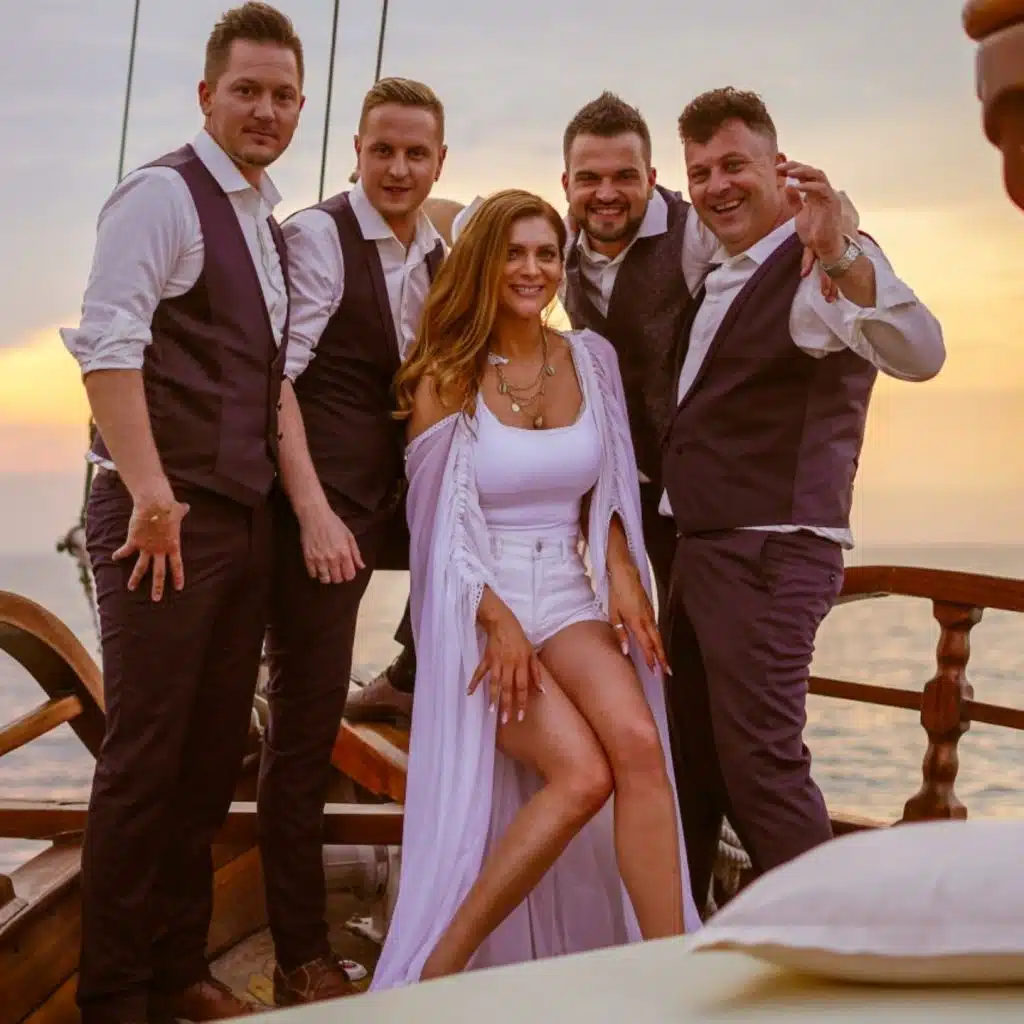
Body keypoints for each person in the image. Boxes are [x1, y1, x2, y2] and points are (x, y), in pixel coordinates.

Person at [370, 189, 701, 989]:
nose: (531, 269)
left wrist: (621, 570)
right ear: (483, 263)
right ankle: (437, 969)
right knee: (582, 776)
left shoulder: (590, 358)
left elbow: (607, 489)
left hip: (568, 595)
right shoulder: (446, 376)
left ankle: (675, 976)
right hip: (480, 608)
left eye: (546, 253)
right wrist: (496, 621)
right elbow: (436, 533)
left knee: (640, 746)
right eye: (513, 253)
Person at [58, 5, 305, 1022]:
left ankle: (176, 972)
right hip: (157, 522)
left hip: (240, 519)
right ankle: (115, 995)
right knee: (147, 760)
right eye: (247, 90)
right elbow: (107, 345)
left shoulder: (264, 221)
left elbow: (263, 376)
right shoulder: (161, 195)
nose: (265, 109)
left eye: (283, 95)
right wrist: (152, 493)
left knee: (207, 764)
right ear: (207, 95)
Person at [659, 87, 946, 913]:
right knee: (693, 768)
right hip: (701, 556)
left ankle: (839, 944)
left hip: (767, 554)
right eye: (701, 171)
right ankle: (695, 947)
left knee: (761, 769)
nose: (717, 185)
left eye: (735, 165)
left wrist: (843, 252)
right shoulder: (724, 266)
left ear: (779, 167)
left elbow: (921, 352)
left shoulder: (818, 262)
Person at [258, 77, 447, 1005]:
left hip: (391, 497)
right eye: (383, 151)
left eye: (416, 153)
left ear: (439, 162)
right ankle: (300, 955)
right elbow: (273, 381)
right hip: (320, 508)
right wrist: (311, 512)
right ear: (356, 155)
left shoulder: (441, 250)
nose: (398, 169)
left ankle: (409, 668)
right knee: (303, 728)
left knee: (498, 551)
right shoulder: (318, 240)